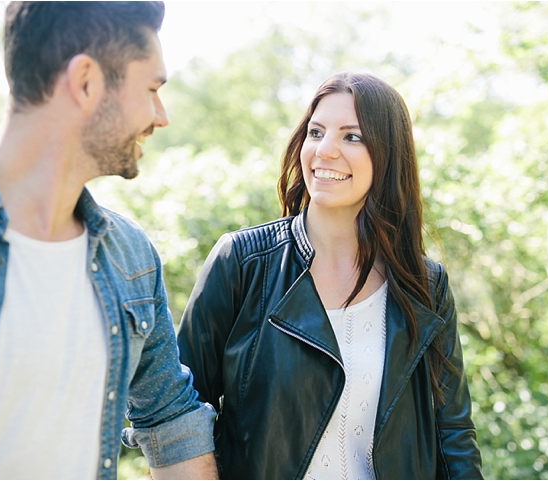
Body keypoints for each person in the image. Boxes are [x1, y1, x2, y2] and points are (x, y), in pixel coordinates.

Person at [177, 72, 483, 479]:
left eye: (352, 137)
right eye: (316, 132)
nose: (325, 151)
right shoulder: (244, 262)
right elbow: (178, 409)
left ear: (389, 154)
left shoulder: (424, 285)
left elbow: (453, 434)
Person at [0, 2, 217, 479]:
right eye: (152, 89)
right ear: (87, 81)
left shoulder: (130, 256)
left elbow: (171, 418)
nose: (161, 115)